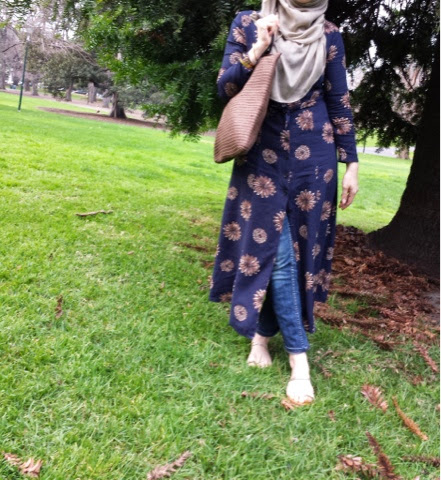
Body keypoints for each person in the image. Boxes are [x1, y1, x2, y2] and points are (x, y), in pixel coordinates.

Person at [209, 0, 359, 405]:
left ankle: (261, 335)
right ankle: (298, 359)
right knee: (274, 249)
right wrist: (258, 48)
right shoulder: (249, 22)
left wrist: (352, 163)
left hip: (316, 151)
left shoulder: (328, 34)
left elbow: (338, 99)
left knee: (299, 248)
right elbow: (225, 87)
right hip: (262, 145)